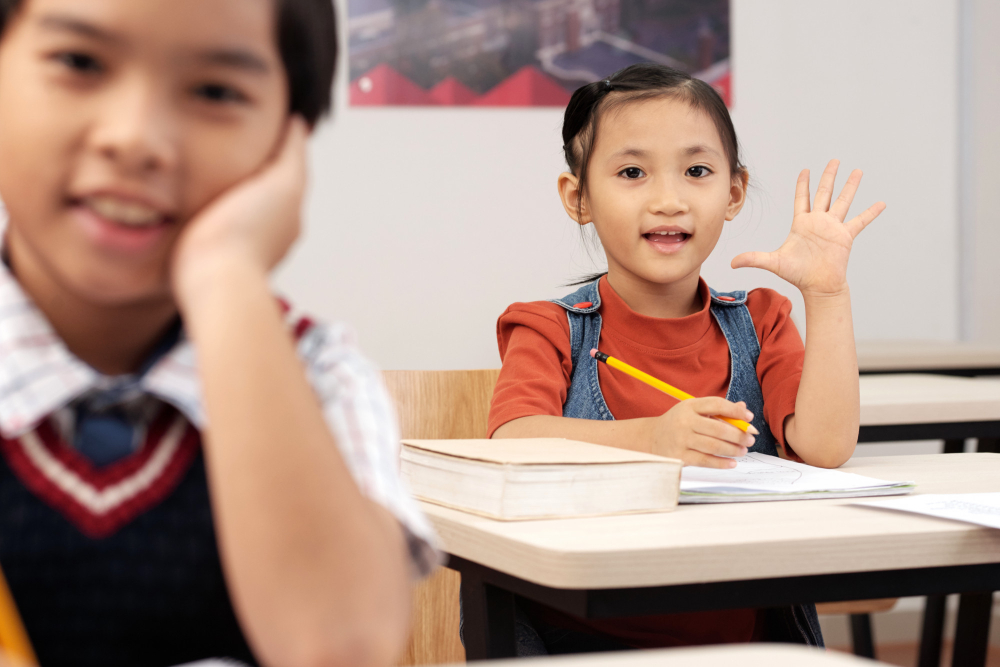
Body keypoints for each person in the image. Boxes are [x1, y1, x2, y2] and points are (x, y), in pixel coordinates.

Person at [0, 1, 437, 666]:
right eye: (80, 62)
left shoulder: (316, 371)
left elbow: (340, 649)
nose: (135, 137)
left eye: (214, 91)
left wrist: (225, 274)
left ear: (286, 141)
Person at [488, 63, 885, 654]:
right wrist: (653, 439)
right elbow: (514, 439)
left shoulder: (761, 318)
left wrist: (825, 294)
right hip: (579, 638)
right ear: (580, 199)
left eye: (696, 171)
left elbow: (826, 448)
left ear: (732, 194)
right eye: (631, 172)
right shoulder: (550, 328)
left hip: (742, 642)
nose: (669, 200)